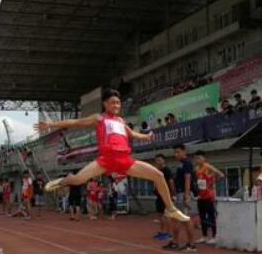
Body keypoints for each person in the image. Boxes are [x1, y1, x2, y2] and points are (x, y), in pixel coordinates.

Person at [37, 89, 189, 223]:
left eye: (118, 103)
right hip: (105, 160)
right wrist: (51, 125)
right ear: (105, 103)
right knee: (77, 180)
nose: (116, 105)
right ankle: (62, 181)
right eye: (113, 102)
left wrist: (146, 137)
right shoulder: (99, 118)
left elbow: (132, 134)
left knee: (158, 175)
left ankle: (170, 208)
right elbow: (76, 122)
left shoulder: (121, 121)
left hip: (125, 161)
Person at [164, 144, 197, 252]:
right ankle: (175, 242)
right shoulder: (181, 164)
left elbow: (188, 179)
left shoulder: (187, 163)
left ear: (184, 152)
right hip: (179, 194)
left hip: (184, 194)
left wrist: (186, 196)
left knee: (186, 219)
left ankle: (191, 244)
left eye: (178, 152)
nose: (176, 154)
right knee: (175, 218)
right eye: (175, 152)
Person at [193, 150, 224, 245]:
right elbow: (197, 181)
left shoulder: (208, 167)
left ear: (204, 158)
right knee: (202, 217)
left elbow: (221, 175)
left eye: (199, 158)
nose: (197, 160)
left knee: (211, 216)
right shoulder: (196, 169)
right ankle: (204, 236)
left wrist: (212, 183)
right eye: (196, 158)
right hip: (200, 196)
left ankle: (215, 236)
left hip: (209, 196)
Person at [152, 154, 174, 241]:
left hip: (165, 195)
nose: (158, 162)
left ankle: (169, 233)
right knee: (160, 214)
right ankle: (162, 232)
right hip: (159, 195)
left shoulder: (166, 170)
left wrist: (172, 194)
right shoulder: (158, 171)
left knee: (166, 215)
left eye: (160, 160)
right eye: (156, 160)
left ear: (164, 160)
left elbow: (171, 182)